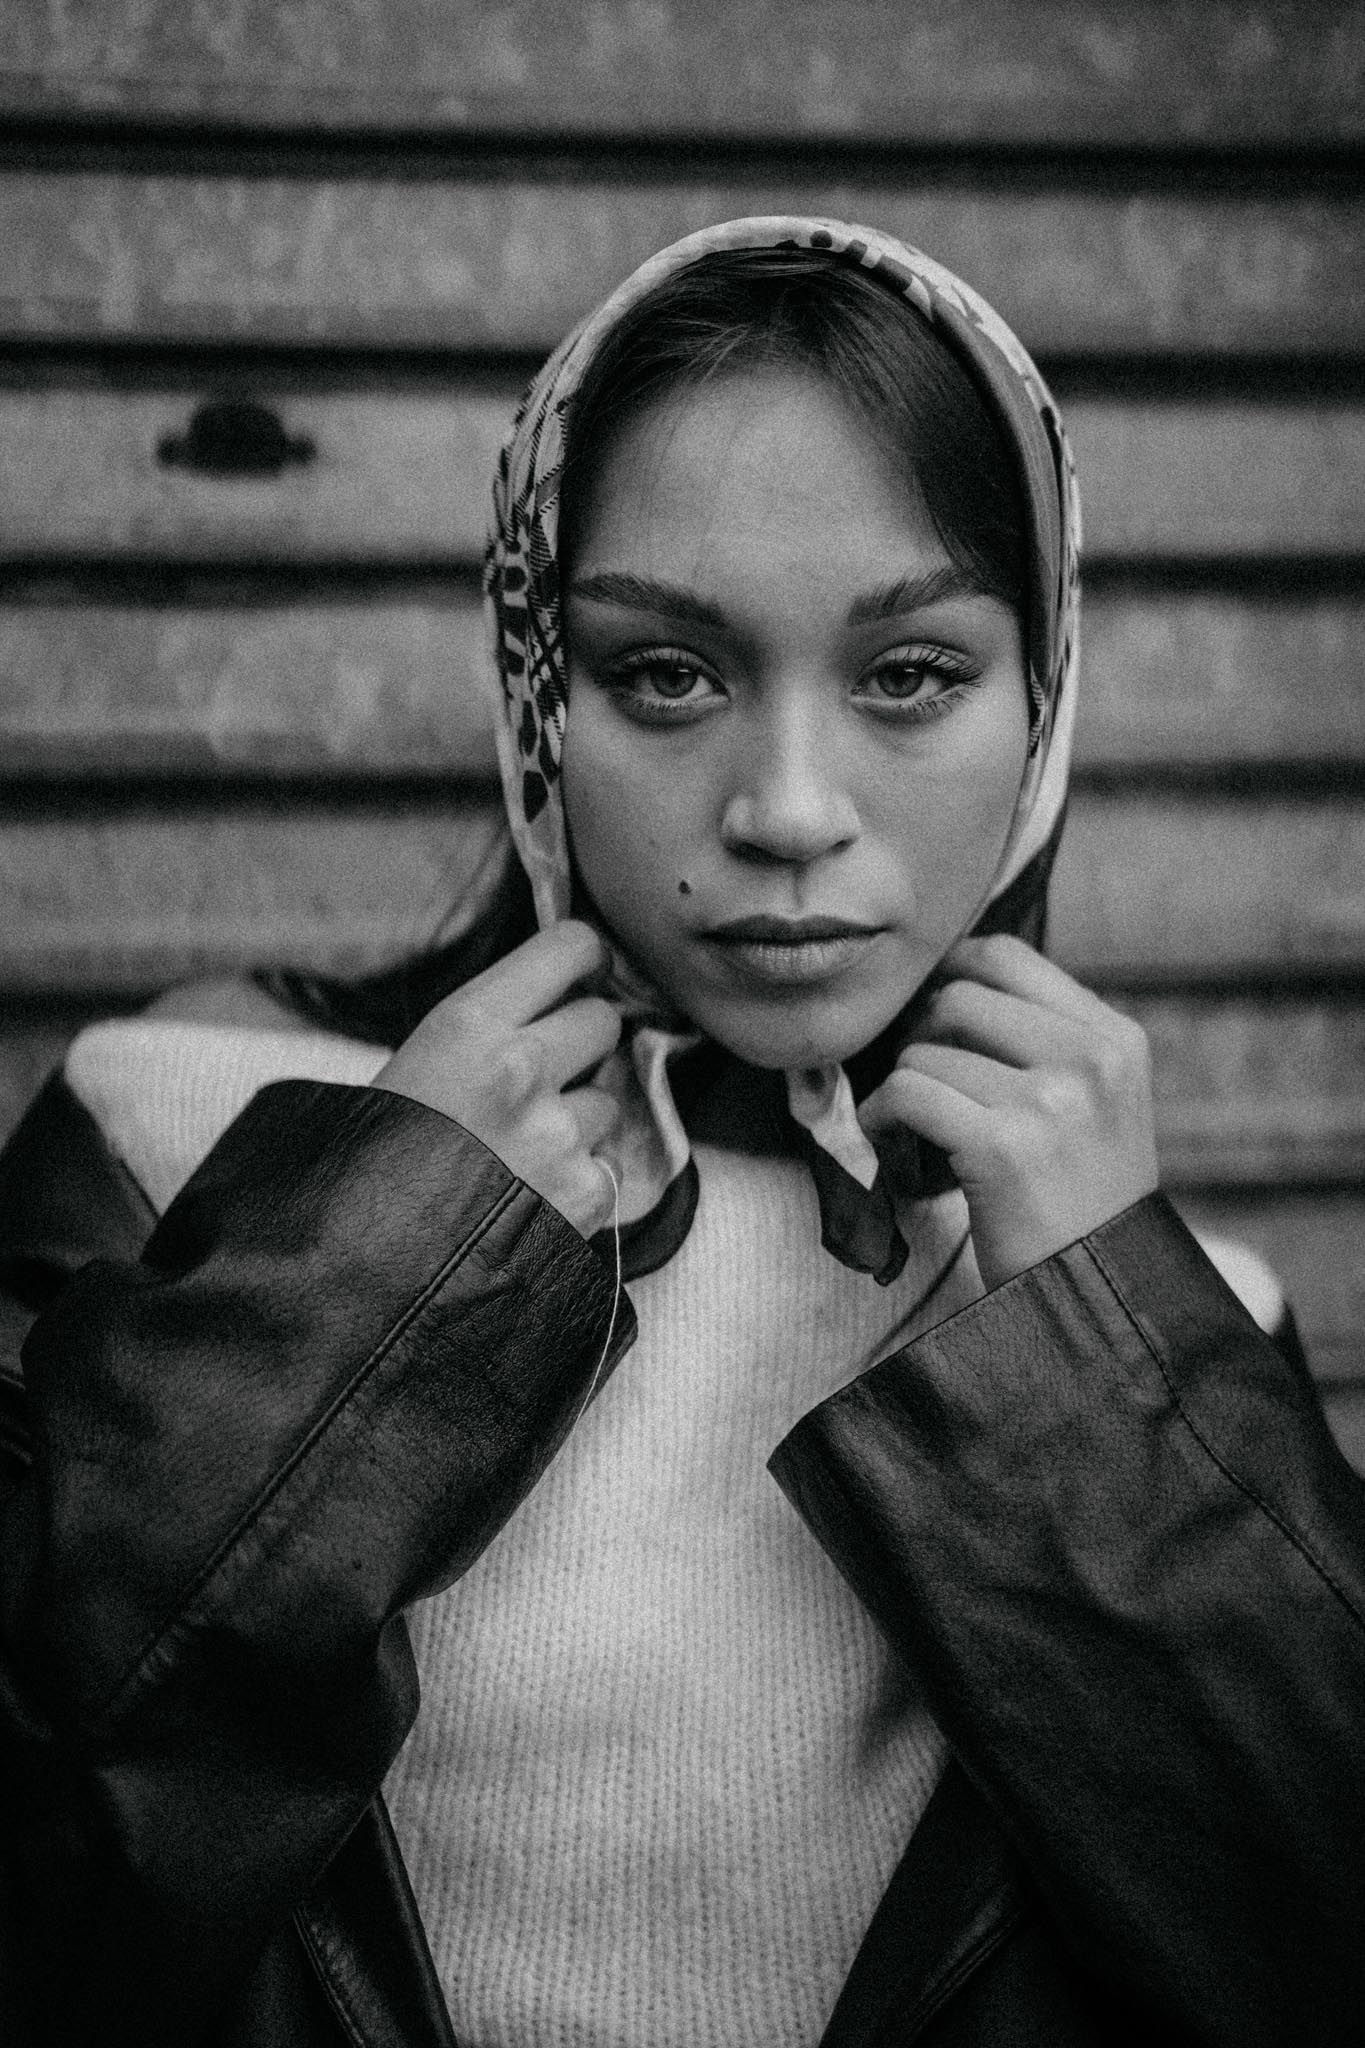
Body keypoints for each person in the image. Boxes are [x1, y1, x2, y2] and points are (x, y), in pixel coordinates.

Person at [0, 217, 1361, 2048]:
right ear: (538, 696)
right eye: (664, 673)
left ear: (1044, 703)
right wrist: (369, 1265)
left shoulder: (1161, 1318)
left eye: (909, 674)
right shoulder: (180, 1131)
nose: (788, 811)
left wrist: (1108, 1368)